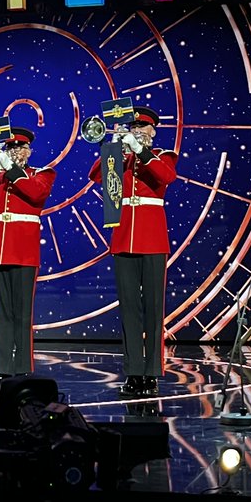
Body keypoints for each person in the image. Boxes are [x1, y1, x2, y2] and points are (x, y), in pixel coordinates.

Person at [87, 106, 177, 398]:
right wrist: (112, 147)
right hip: (124, 238)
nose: (137, 131)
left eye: (142, 128)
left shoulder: (162, 155)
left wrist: (140, 151)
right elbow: (95, 176)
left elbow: (166, 176)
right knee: (129, 310)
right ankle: (134, 372)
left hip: (153, 240)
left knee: (153, 309)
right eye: (133, 127)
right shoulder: (121, 160)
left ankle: (152, 373)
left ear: (153, 131)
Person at [0, 126, 56, 397]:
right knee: (2, 315)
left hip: (24, 252)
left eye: (18, 148)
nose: (14, 152)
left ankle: (23, 373)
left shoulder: (41, 174)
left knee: (22, 315)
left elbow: (36, 194)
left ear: (28, 151)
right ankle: (2, 373)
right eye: (10, 148)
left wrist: (11, 170)